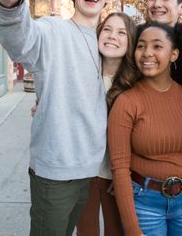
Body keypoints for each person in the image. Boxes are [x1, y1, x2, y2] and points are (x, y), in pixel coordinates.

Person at [0, 0, 117, 235]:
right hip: (56, 171)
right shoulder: (53, 30)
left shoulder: (110, 41)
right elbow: (20, 39)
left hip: (92, 170)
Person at [109, 21, 182, 236]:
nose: (147, 53)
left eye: (157, 46)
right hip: (145, 204)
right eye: (141, 46)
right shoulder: (126, 102)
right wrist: (132, 229)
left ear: (174, 54)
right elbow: (120, 169)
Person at [76, 12, 139, 236]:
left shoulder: (136, 85)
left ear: (130, 41)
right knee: (86, 230)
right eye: (107, 29)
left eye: (122, 32)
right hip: (83, 173)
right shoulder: (81, 75)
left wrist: (126, 174)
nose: (113, 36)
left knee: (116, 231)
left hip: (117, 175)